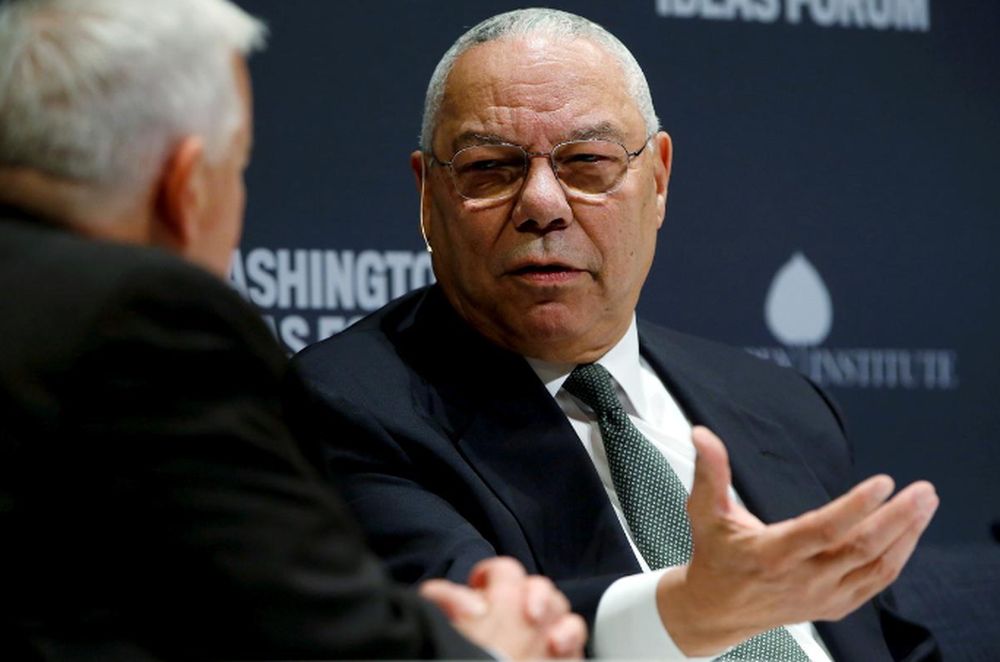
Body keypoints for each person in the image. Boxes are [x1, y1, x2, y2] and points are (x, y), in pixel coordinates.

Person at [290, 7, 942, 661]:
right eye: (490, 167)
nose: (542, 204)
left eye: (587, 162)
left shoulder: (785, 408)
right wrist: (693, 613)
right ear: (428, 195)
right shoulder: (344, 409)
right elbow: (463, 637)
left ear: (656, 179)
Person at [0, 0, 587, 659]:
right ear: (186, 188)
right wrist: (486, 646)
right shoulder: (146, 317)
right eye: (239, 167)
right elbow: (309, 637)